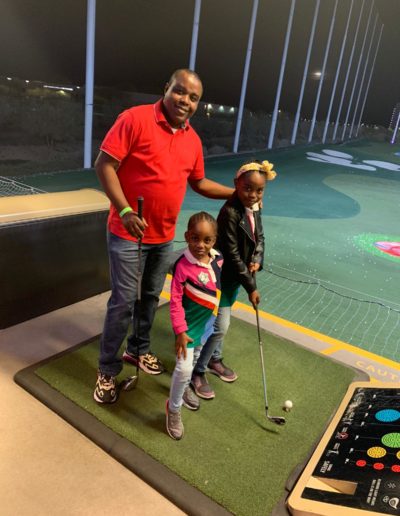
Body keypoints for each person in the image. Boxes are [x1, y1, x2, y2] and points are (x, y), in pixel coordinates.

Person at [93, 69, 233, 404]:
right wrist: (126, 210)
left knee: (150, 298)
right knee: (123, 302)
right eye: (180, 92)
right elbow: (104, 165)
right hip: (127, 232)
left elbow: (198, 183)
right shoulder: (135, 119)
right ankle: (107, 370)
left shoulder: (193, 140)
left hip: (164, 236)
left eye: (194, 97)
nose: (185, 101)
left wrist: (237, 194)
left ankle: (137, 351)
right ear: (166, 89)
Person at [191, 160, 277, 400]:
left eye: (259, 190)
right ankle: (197, 371)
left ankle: (213, 359)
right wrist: (251, 285)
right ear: (236, 185)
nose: (253, 194)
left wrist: (258, 259)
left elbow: (259, 237)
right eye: (247, 188)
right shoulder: (229, 212)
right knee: (218, 326)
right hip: (221, 275)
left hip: (235, 276)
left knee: (217, 325)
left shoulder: (256, 206)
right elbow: (232, 253)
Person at [166, 212, 222, 440]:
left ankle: (185, 387)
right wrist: (180, 331)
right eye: (195, 238)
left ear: (214, 241)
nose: (200, 245)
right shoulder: (182, 266)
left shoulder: (218, 259)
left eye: (207, 240)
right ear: (187, 236)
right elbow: (175, 302)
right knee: (184, 368)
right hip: (187, 329)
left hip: (206, 325)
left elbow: (218, 286)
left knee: (196, 359)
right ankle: (173, 408)